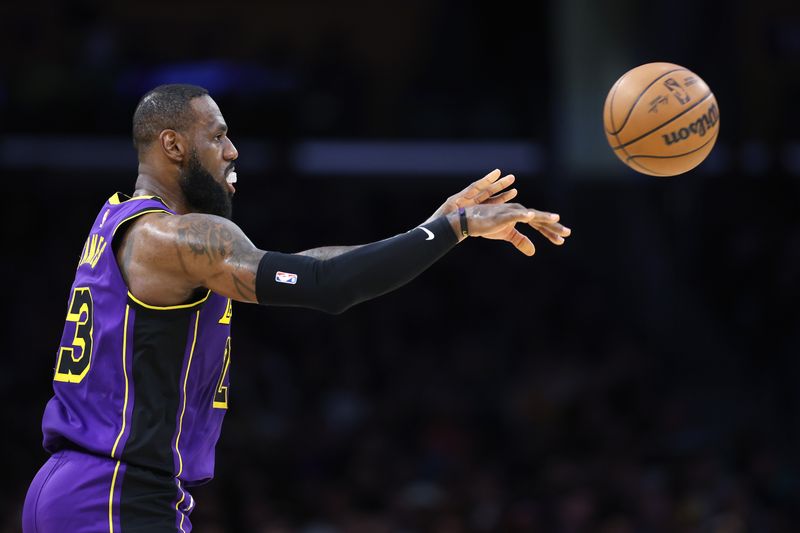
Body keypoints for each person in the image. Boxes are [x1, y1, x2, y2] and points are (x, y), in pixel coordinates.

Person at [22, 84, 571, 533]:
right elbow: (325, 285)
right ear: (173, 145)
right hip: (116, 495)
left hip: (79, 485)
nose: (232, 151)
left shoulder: (123, 220)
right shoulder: (175, 236)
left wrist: (427, 230)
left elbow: (303, 263)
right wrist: (452, 228)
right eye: (218, 136)